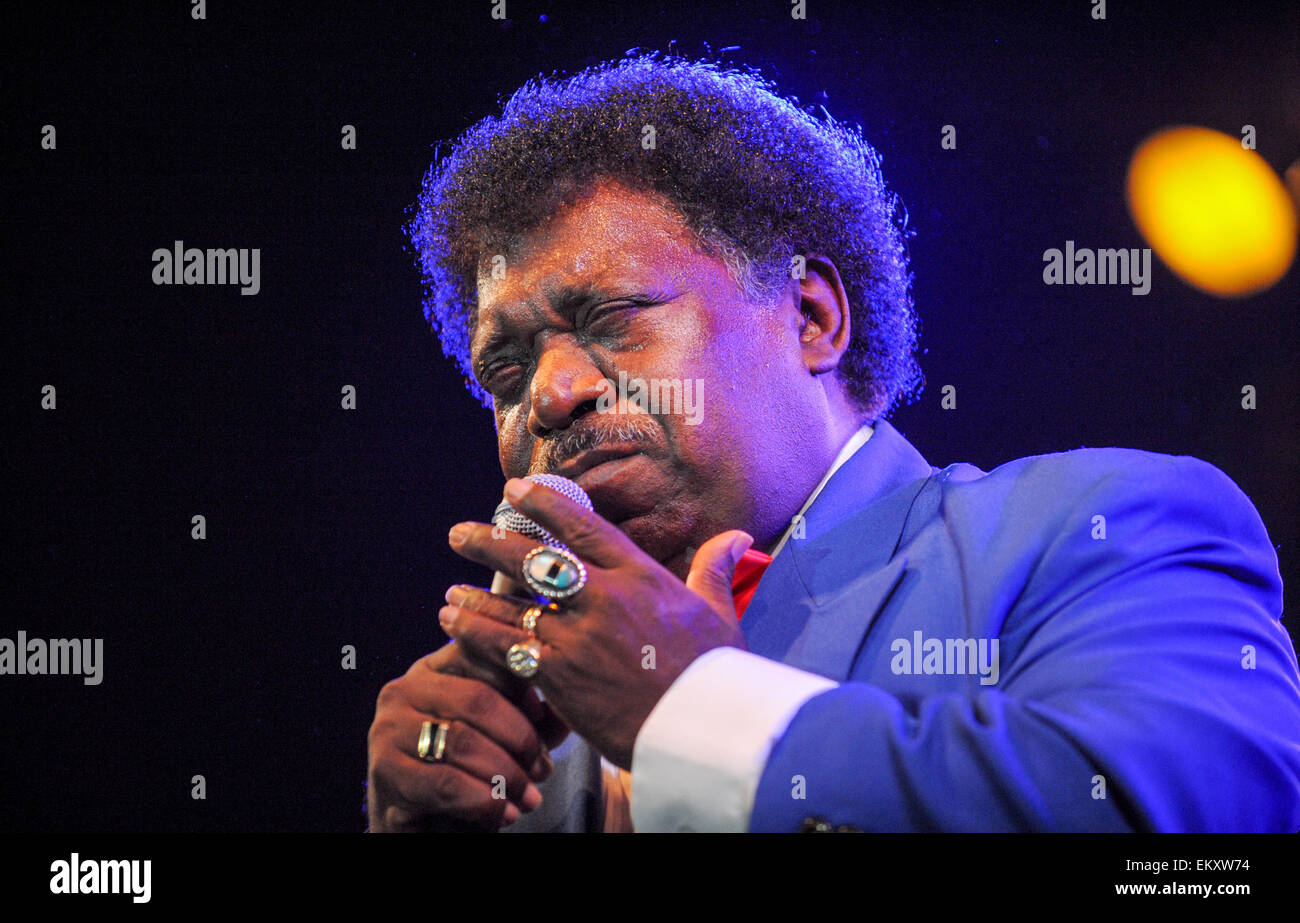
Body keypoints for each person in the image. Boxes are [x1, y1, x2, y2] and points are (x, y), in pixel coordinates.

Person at [366, 53, 1300, 832]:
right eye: (507, 371)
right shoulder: (523, 725)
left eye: (610, 317)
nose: (553, 392)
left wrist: (690, 711)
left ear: (811, 316)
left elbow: (1194, 840)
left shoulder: (1097, 525)